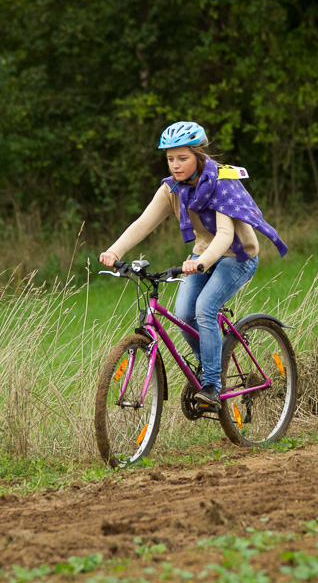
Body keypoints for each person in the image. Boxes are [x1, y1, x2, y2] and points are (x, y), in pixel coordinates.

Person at [99, 121, 287, 412]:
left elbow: (225, 235)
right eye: (170, 159)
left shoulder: (220, 182)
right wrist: (114, 250)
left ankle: (212, 384)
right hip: (201, 257)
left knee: (204, 309)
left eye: (182, 158)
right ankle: (214, 364)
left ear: (199, 156)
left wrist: (200, 262)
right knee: (184, 313)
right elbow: (144, 223)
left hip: (237, 256)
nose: (175, 165)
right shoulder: (172, 188)